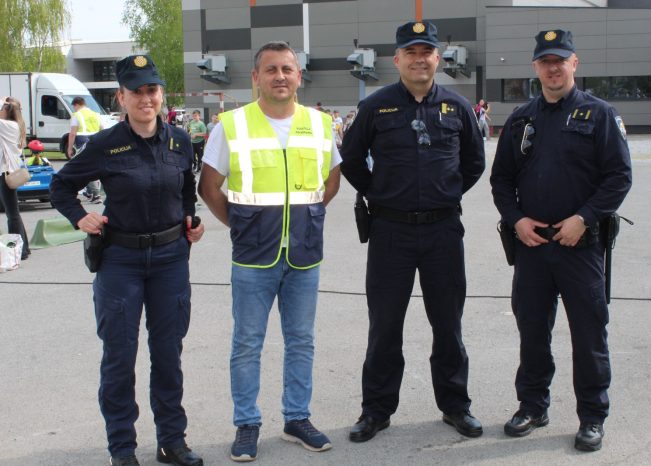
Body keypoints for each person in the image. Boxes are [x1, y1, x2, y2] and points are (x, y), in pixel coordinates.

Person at [49, 54, 205, 466]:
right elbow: (61, 185)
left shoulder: (179, 140)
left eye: (152, 90)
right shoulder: (105, 144)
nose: (145, 98)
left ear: (161, 94)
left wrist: (191, 219)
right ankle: (122, 448)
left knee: (168, 355)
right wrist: (80, 217)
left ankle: (172, 441)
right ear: (121, 97)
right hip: (121, 261)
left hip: (170, 260)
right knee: (119, 357)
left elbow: (186, 190)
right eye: (136, 91)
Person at [340, 21, 486, 443]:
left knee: (448, 325)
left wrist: (446, 192)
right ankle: (376, 410)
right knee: (385, 326)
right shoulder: (376, 107)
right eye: (411, 52)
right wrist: (380, 193)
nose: (419, 60)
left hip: (443, 231)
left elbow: (474, 163)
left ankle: (455, 406)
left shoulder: (457, 107)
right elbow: (351, 160)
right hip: (391, 232)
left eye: (426, 52)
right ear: (397, 59)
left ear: (437, 58)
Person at [198, 40, 341, 463]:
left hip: (303, 255)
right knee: (247, 343)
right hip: (253, 257)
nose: (280, 76)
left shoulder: (320, 124)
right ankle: (247, 424)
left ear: (299, 76)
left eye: (287, 69)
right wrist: (241, 225)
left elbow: (332, 179)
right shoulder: (231, 125)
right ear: (255, 77)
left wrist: (305, 216)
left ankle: (297, 418)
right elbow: (208, 186)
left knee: (301, 341)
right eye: (271, 69)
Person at [490, 29, 632, 452]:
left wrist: (584, 219)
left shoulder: (599, 114)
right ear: (536, 67)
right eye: (545, 61)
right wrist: (516, 220)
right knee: (532, 332)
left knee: (589, 335)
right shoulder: (521, 119)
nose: (553, 68)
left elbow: (619, 177)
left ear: (574, 63)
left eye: (560, 60)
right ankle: (533, 406)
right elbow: (501, 180)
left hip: (579, 247)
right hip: (532, 246)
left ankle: (592, 416)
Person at [0, 96, 31, 260]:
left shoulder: (8, 126)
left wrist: (2, 101)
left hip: (6, 173)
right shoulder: (14, 125)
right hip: (9, 171)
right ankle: (24, 247)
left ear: (6, 110)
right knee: (13, 212)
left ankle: (19, 250)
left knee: (12, 214)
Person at [67, 96, 103, 202]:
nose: (74, 109)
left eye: (74, 107)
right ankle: (90, 192)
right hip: (96, 141)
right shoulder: (95, 114)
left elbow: (72, 133)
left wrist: (69, 148)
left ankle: (96, 194)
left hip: (83, 142)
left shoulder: (76, 115)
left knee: (86, 168)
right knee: (93, 166)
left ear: (76, 105)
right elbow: (102, 128)